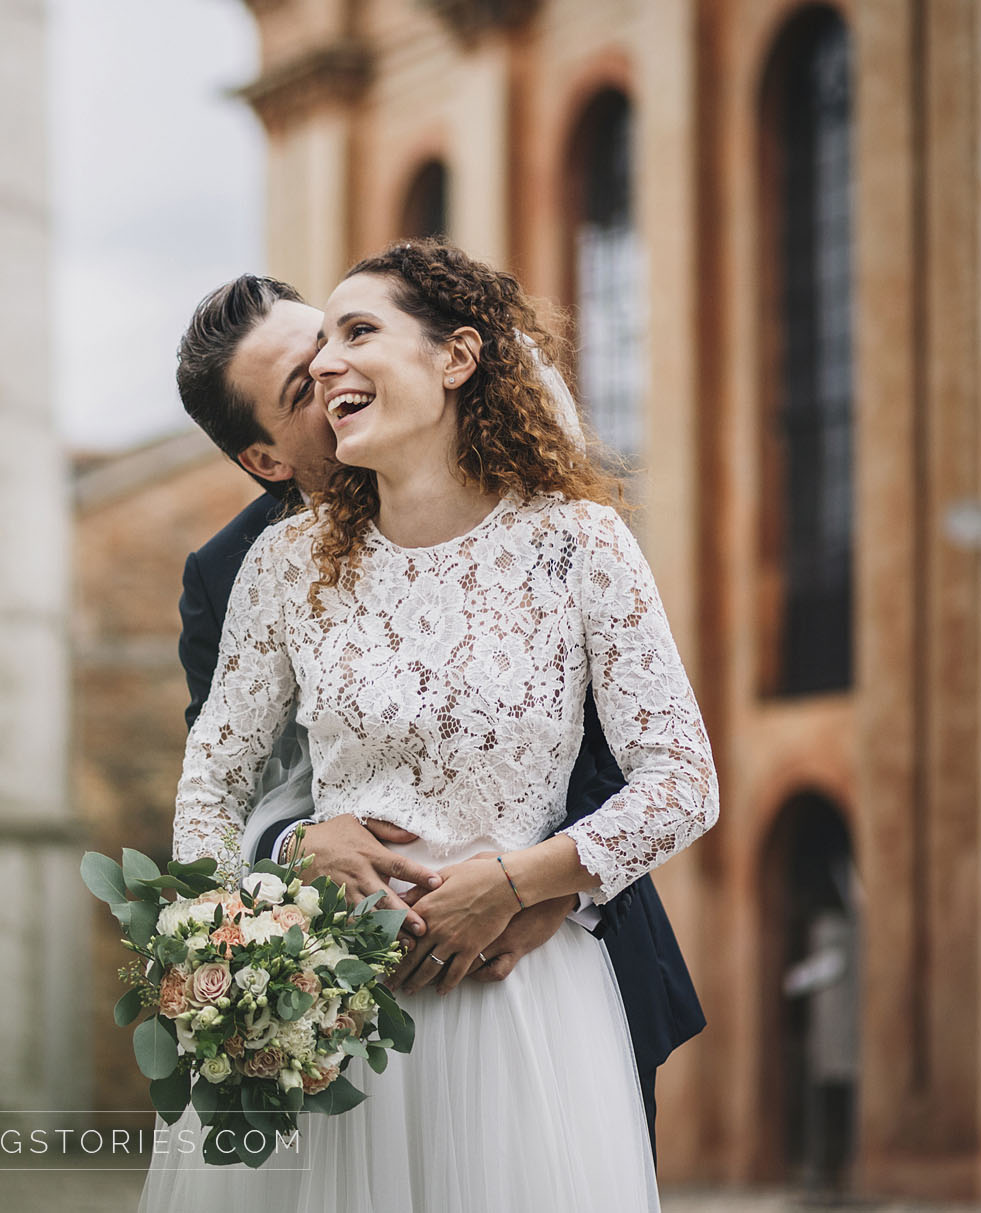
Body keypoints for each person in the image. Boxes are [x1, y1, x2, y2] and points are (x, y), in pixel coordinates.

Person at [140, 242, 719, 1212]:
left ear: (453, 360)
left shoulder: (569, 539)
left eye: (343, 335)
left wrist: (531, 882)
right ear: (265, 460)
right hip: (338, 1006)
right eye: (305, 373)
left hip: (540, 983)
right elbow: (212, 787)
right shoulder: (266, 568)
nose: (328, 365)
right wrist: (250, 934)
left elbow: (675, 774)